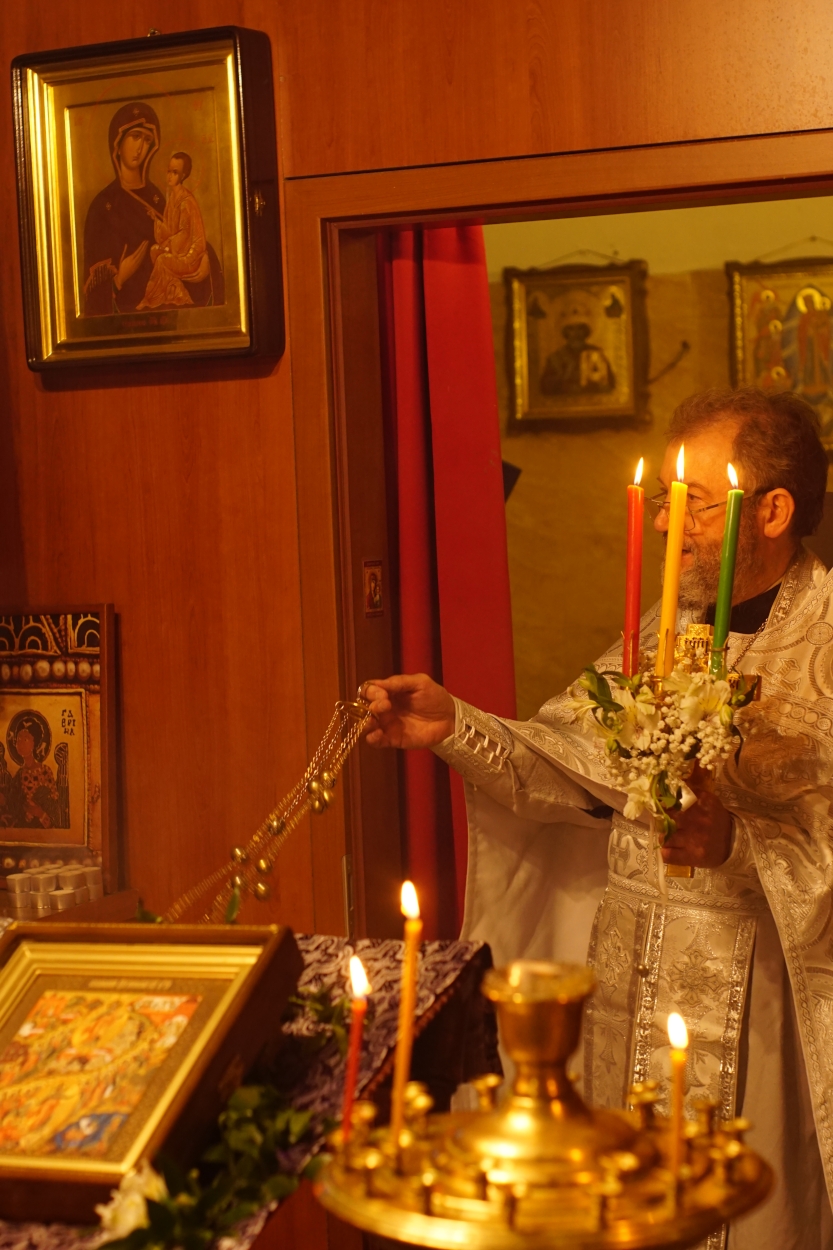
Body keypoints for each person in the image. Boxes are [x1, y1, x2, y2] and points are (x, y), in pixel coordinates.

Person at [363, 386, 833, 1249]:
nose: (662, 526)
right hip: (629, 984)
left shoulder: (826, 643)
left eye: (690, 504)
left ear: (770, 511)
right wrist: (454, 725)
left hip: (759, 1011)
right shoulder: (663, 627)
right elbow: (577, 771)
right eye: (663, 502)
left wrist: (736, 843)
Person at [137, 152, 210, 310]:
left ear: (183, 176)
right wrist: (155, 220)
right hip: (178, 252)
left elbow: (185, 234)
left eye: (175, 172)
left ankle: (150, 298)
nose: (170, 175)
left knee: (162, 259)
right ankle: (175, 292)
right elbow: (169, 231)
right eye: (169, 171)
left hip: (190, 257)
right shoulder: (171, 200)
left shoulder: (186, 202)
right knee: (154, 251)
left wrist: (169, 246)